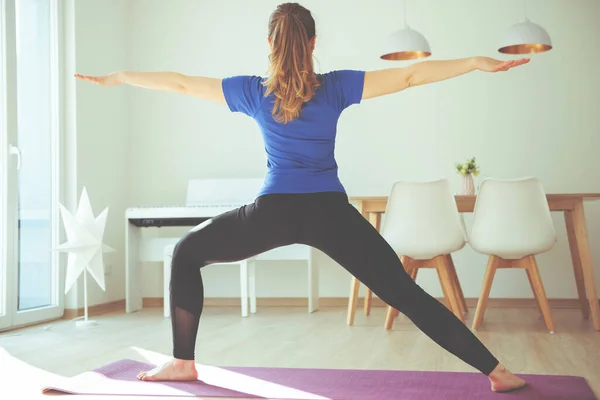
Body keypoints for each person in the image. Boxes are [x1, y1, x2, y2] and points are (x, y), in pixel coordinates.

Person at [76, 2, 530, 393]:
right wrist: (473, 61)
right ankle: (496, 370)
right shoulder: (334, 86)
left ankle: (182, 361)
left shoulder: (252, 91)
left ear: (270, 44)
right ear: (313, 42)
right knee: (405, 294)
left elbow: (178, 83)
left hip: (273, 211)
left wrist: (121, 76)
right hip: (329, 211)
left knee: (186, 251)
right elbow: (409, 75)